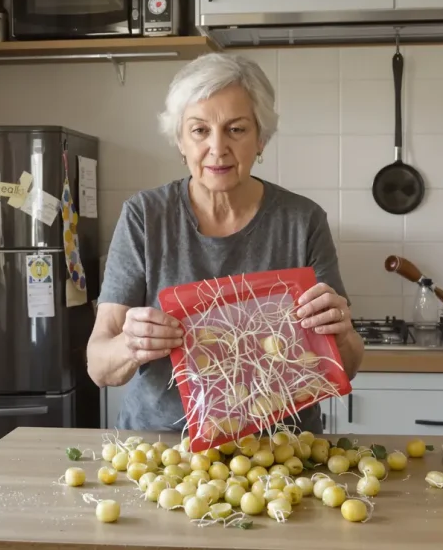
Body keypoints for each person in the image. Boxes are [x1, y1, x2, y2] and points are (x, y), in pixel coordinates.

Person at [86, 52, 364, 435]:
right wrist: (131, 345)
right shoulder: (144, 217)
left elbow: (344, 366)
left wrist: (343, 332)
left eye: (236, 130)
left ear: (261, 138)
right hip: (166, 449)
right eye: (200, 130)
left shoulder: (302, 221)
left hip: (283, 450)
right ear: (180, 140)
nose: (217, 148)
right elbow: (99, 367)